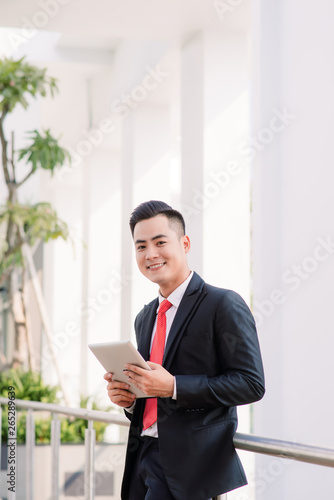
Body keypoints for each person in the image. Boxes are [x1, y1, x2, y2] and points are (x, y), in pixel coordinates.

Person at [104, 200, 265, 500]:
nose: (150, 254)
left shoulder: (222, 304)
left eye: (160, 242)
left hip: (190, 468)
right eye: (141, 247)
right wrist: (128, 399)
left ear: (185, 243)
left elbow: (251, 384)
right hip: (141, 458)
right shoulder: (145, 317)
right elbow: (150, 398)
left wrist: (174, 386)